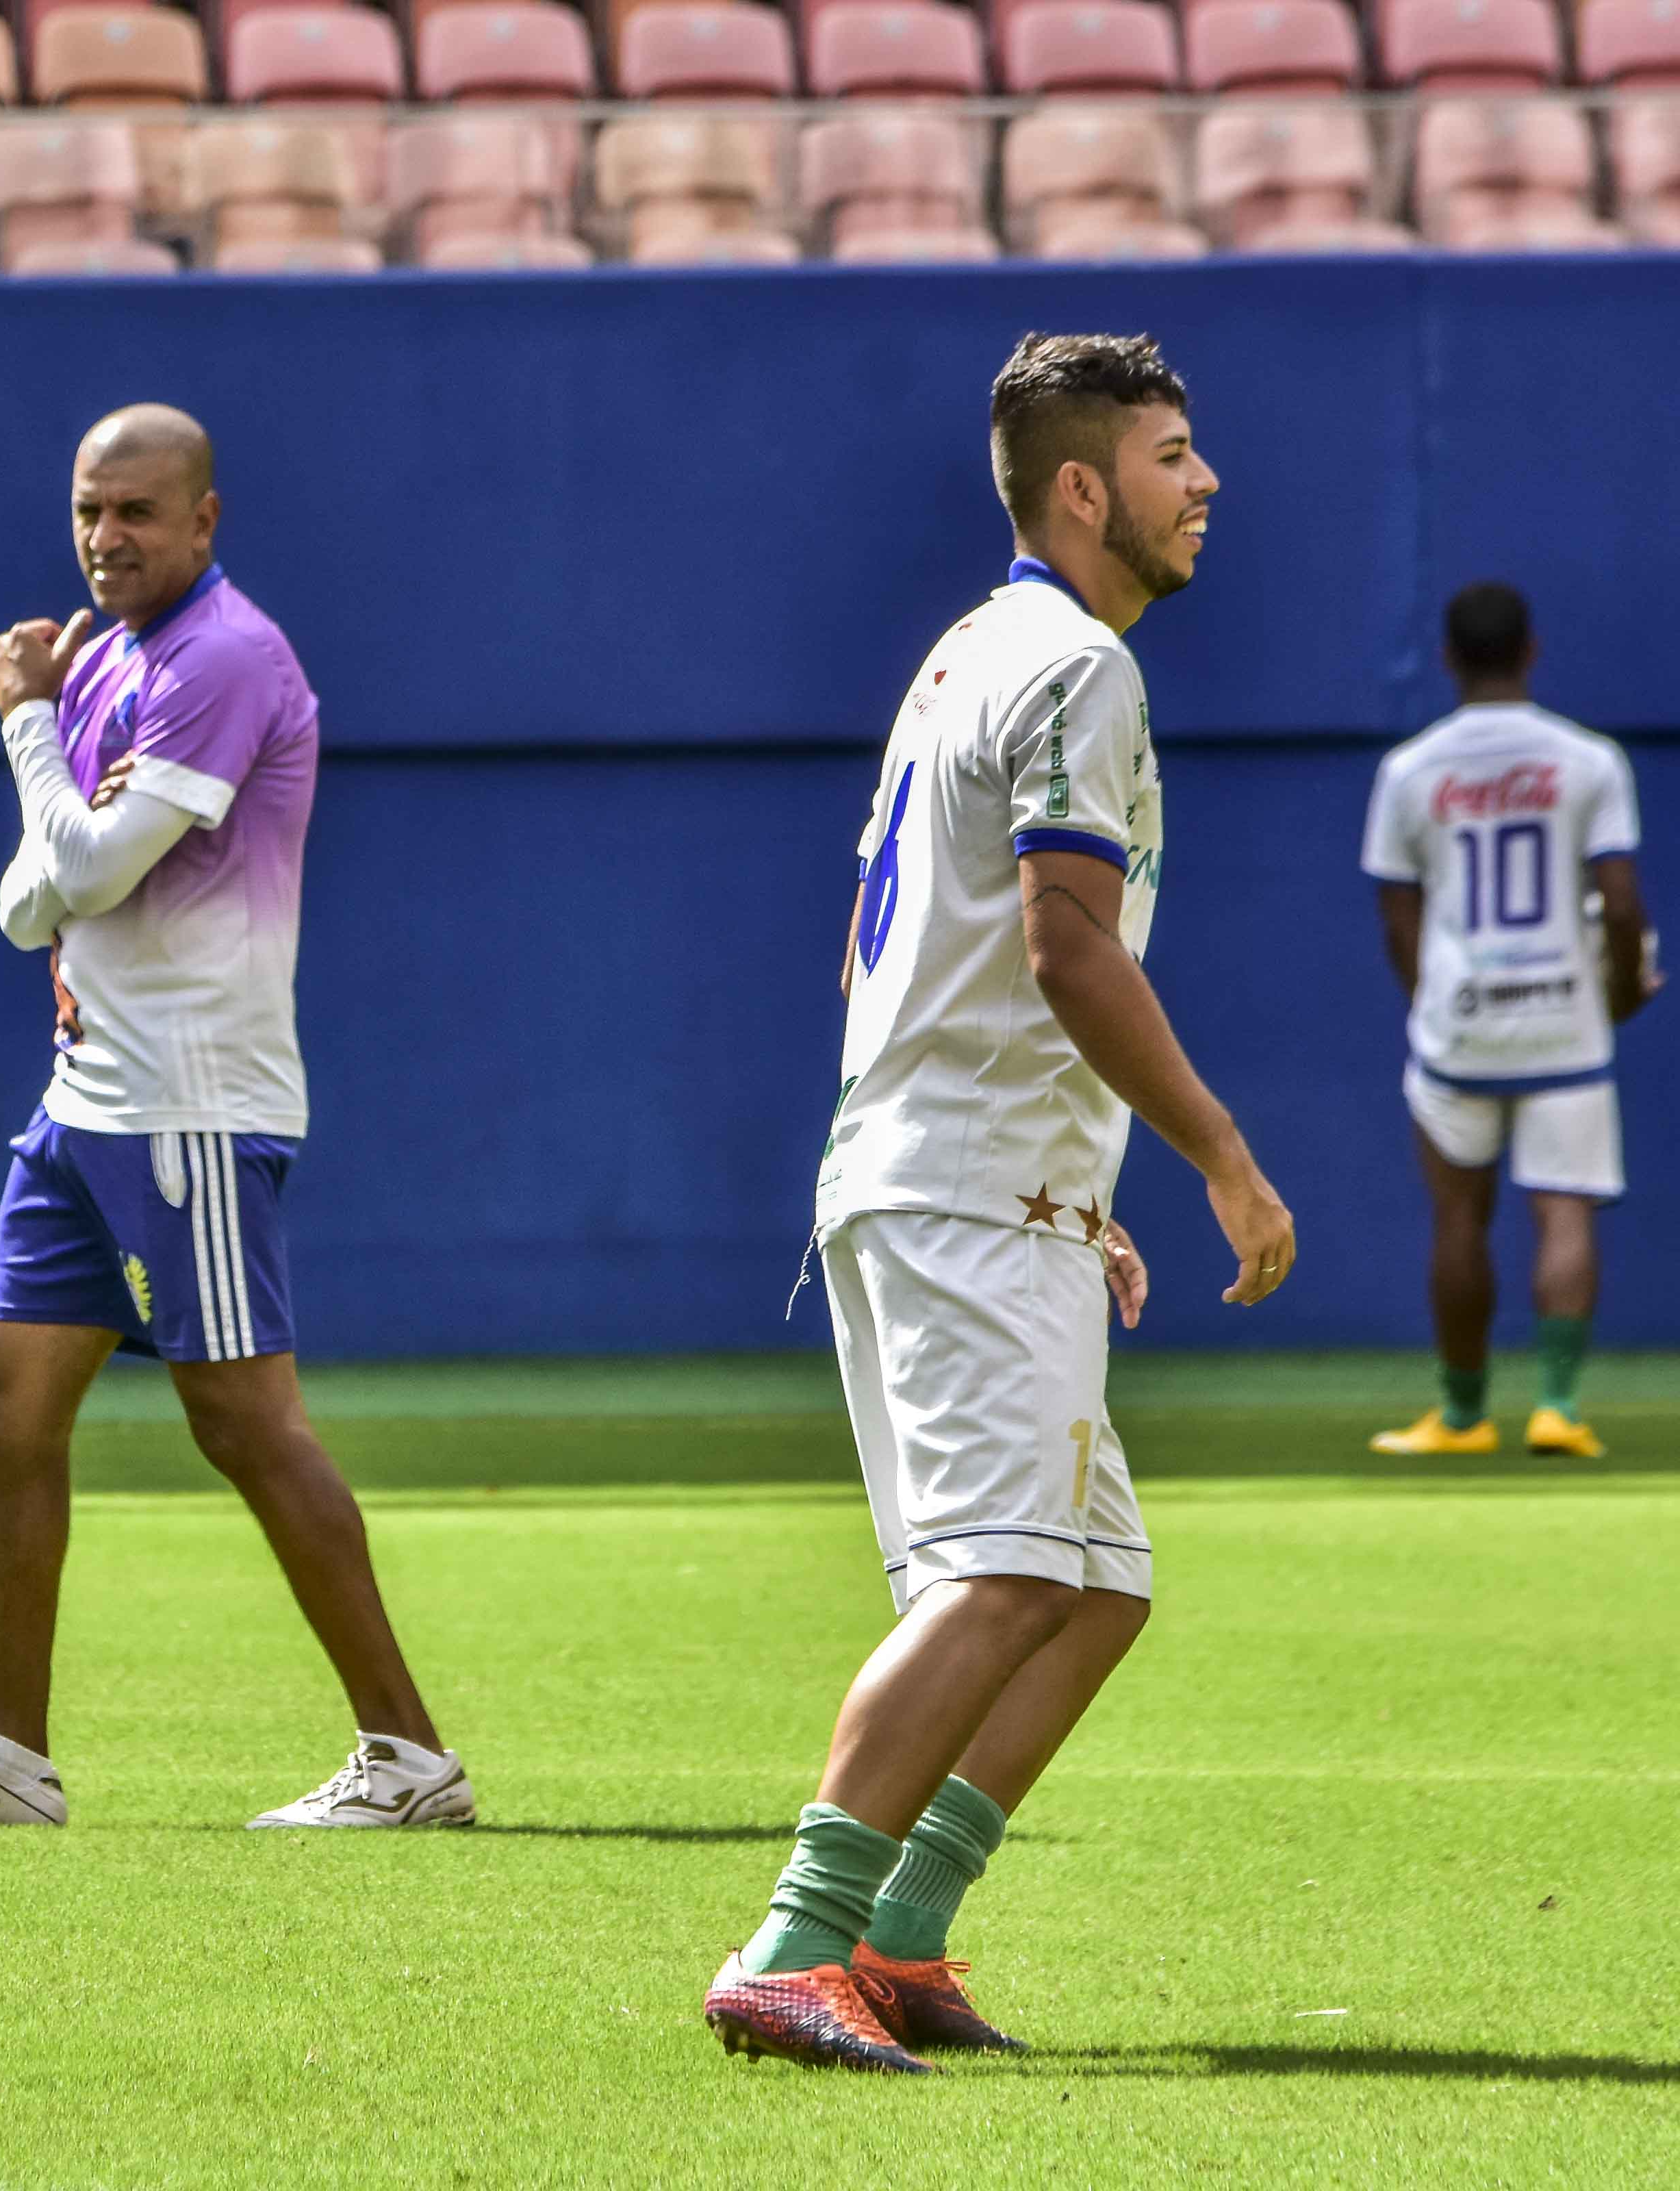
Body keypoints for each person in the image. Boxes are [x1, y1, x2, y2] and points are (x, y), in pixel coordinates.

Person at [704, 335, 1296, 2073]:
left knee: (1087, 1582)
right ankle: (789, 1946)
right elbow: (1060, 943)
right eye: (1174, 455)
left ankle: (895, 1936)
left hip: (951, 1175)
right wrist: (1212, 1157)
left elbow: (874, 944)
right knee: (989, 1576)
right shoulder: (1072, 667)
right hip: (961, 1191)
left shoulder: (960, 656)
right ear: (1080, 488)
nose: (1205, 485)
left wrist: (1066, 1165)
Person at [0, 404, 469, 1834]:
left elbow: (98, 872)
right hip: (84, 1103)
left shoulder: (225, 658)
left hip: (190, 1104)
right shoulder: (110, 660)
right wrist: (64, 803)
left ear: (205, 521)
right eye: (86, 513)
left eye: (137, 514)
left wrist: (21, 727)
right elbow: (26, 902)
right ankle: (8, 1759)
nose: (107, 538)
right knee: (8, 1400)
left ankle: (409, 1757)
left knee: (245, 1422)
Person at [1362, 583, 1655, 1460]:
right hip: (1564, 1018)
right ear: (1532, 649)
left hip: (1461, 1024)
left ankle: (1461, 1416)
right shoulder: (1590, 759)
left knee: (1458, 1217)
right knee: (1565, 1213)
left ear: (1448, 657)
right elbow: (1621, 897)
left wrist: (1430, 1002)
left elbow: (1397, 916)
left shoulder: (1410, 769)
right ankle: (1558, 1407)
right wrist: (1621, 991)